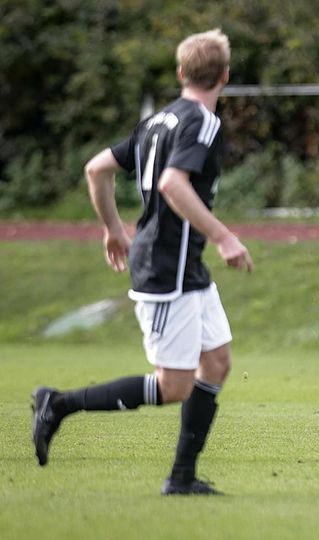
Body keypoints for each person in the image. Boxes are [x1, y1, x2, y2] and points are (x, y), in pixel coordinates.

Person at [31, 29, 252, 494]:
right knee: (174, 386)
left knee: (217, 363)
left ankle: (182, 478)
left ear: (180, 74)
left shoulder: (157, 121)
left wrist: (113, 228)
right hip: (165, 267)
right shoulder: (204, 123)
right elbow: (173, 184)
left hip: (181, 265)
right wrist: (224, 236)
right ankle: (58, 404)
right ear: (225, 76)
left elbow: (96, 169)